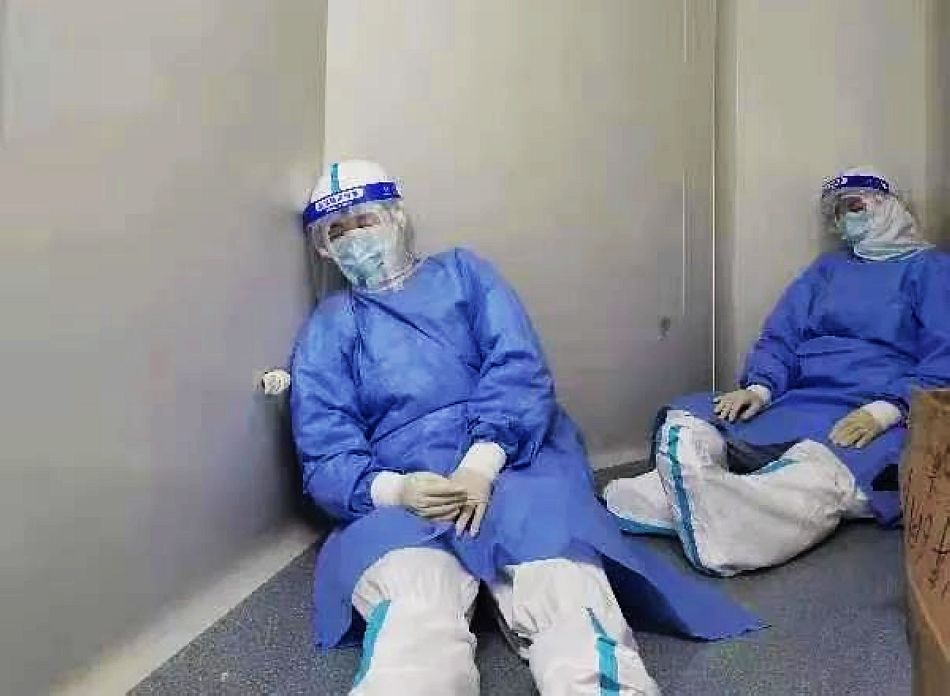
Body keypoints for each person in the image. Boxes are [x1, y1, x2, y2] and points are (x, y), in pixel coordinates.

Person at [291, 160, 761, 695]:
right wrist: (397, 491)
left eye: (366, 221)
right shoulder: (327, 328)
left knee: (559, 578)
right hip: (408, 488)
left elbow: (518, 367)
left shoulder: (464, 275)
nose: (356, 239)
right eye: (338, 231)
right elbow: (325, 448)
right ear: (324, 248)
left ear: (397, 218)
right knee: (414, 609)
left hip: (514, 461)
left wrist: (481, 464)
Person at [604, 166, 950, 577]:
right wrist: (760, 388)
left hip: (871, 413)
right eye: (837, 213)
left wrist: (886, 410)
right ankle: (713, 501)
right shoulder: (826, 271)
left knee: (819, 472)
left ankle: (704, 510)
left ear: (889, 205)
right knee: (689, 419)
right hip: (799, 399)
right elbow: (782, 335)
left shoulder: (932, 271)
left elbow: (944, 356)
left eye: (853, 206)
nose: (844, 219)